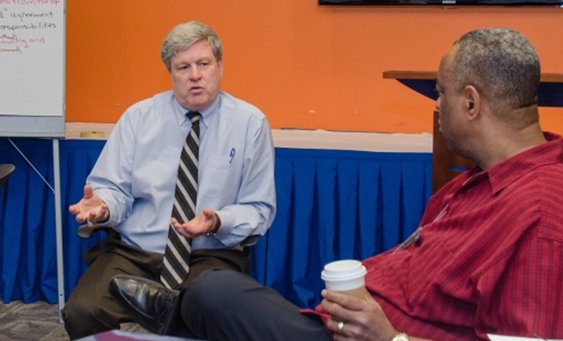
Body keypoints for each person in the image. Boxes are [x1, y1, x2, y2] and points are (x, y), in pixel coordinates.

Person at [110, 27, 563, 340]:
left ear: (470, 103)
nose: (437, 106)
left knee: (215, 291)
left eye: (439, 93)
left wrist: (392, 336)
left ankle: (180, 313)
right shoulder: (479, 181)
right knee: (220, 296)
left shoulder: (540, 219)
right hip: (347, 324)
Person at [63, 21, 276, 340]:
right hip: (134, 251)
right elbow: (114, 190)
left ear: (220, 66)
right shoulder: (139, 118)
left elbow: (258, 208)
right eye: (183, 67)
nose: (194, 75)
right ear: (170, 72)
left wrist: (218, 220)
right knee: (82, 312)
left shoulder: (250, 124)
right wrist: (104, 208)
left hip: (208, 253)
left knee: (201, 316)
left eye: (203, 64)